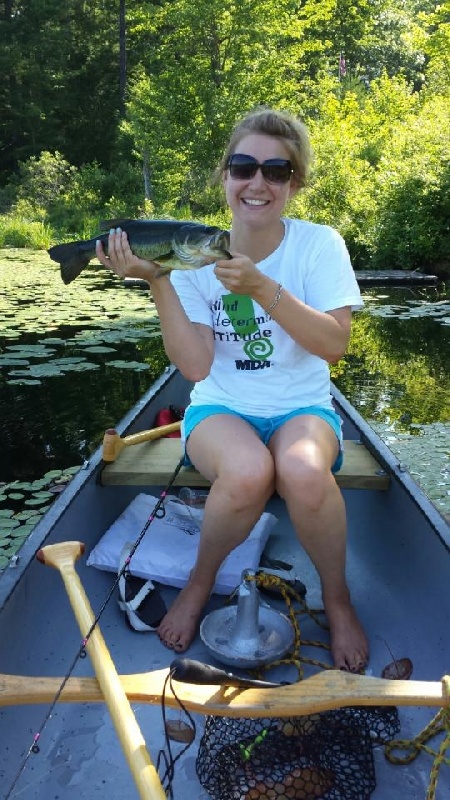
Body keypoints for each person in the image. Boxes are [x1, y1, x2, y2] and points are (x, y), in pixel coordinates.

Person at [96, 106, 368, 672]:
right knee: (247, 473)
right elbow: (195, 368)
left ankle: (337, 600)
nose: (258, 182)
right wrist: (158, 280)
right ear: (225, 176)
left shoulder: (319, 246)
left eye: (277, 170)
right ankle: (199, 586)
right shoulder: (193, 254)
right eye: (244, 167)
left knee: (302, 471)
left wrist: (265, 288)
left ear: (295, 184)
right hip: (222, 408)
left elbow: (334, 344)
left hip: (303, 407)